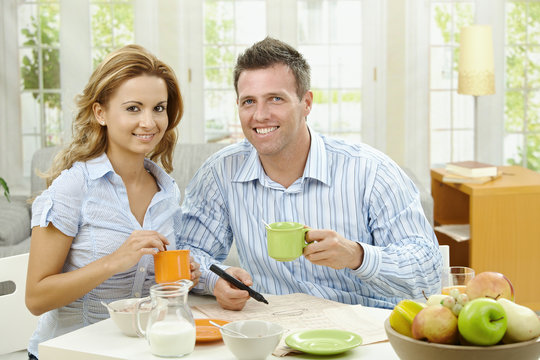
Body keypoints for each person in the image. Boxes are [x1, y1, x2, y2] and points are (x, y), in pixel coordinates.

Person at [178, 37, 441, 311]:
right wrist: (215, 280)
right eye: (248, 102)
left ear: (306, 103)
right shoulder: (221, 172)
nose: (260, 115)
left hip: (365, 331)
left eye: (275, 99)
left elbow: (428, 272)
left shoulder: (371, 171)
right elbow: (188, 254)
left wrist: (357, 256)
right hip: (274, 329)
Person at [25, 44, 200, 360]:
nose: (149, 122)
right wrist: (115, 261)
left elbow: (154, 289)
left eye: (159, 108)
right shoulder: (73, 188)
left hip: (138, 351)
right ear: (100, 113)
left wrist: (183, 280)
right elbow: (36, 297)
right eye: (133, 108)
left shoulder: (168, 190)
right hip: (70, 353)